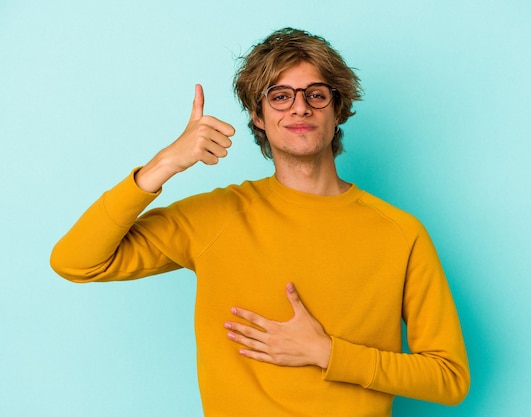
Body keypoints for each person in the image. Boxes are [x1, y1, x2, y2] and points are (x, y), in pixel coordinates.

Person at [51, 27, 470, 416]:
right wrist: (163, 165)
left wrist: (327, 353)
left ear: (338, 109)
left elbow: (450, 380)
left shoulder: (400, 232)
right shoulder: (214, 218)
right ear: (257, 115)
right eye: (280, 96)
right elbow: (76, 261)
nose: (300, 107)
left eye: (316, 94)